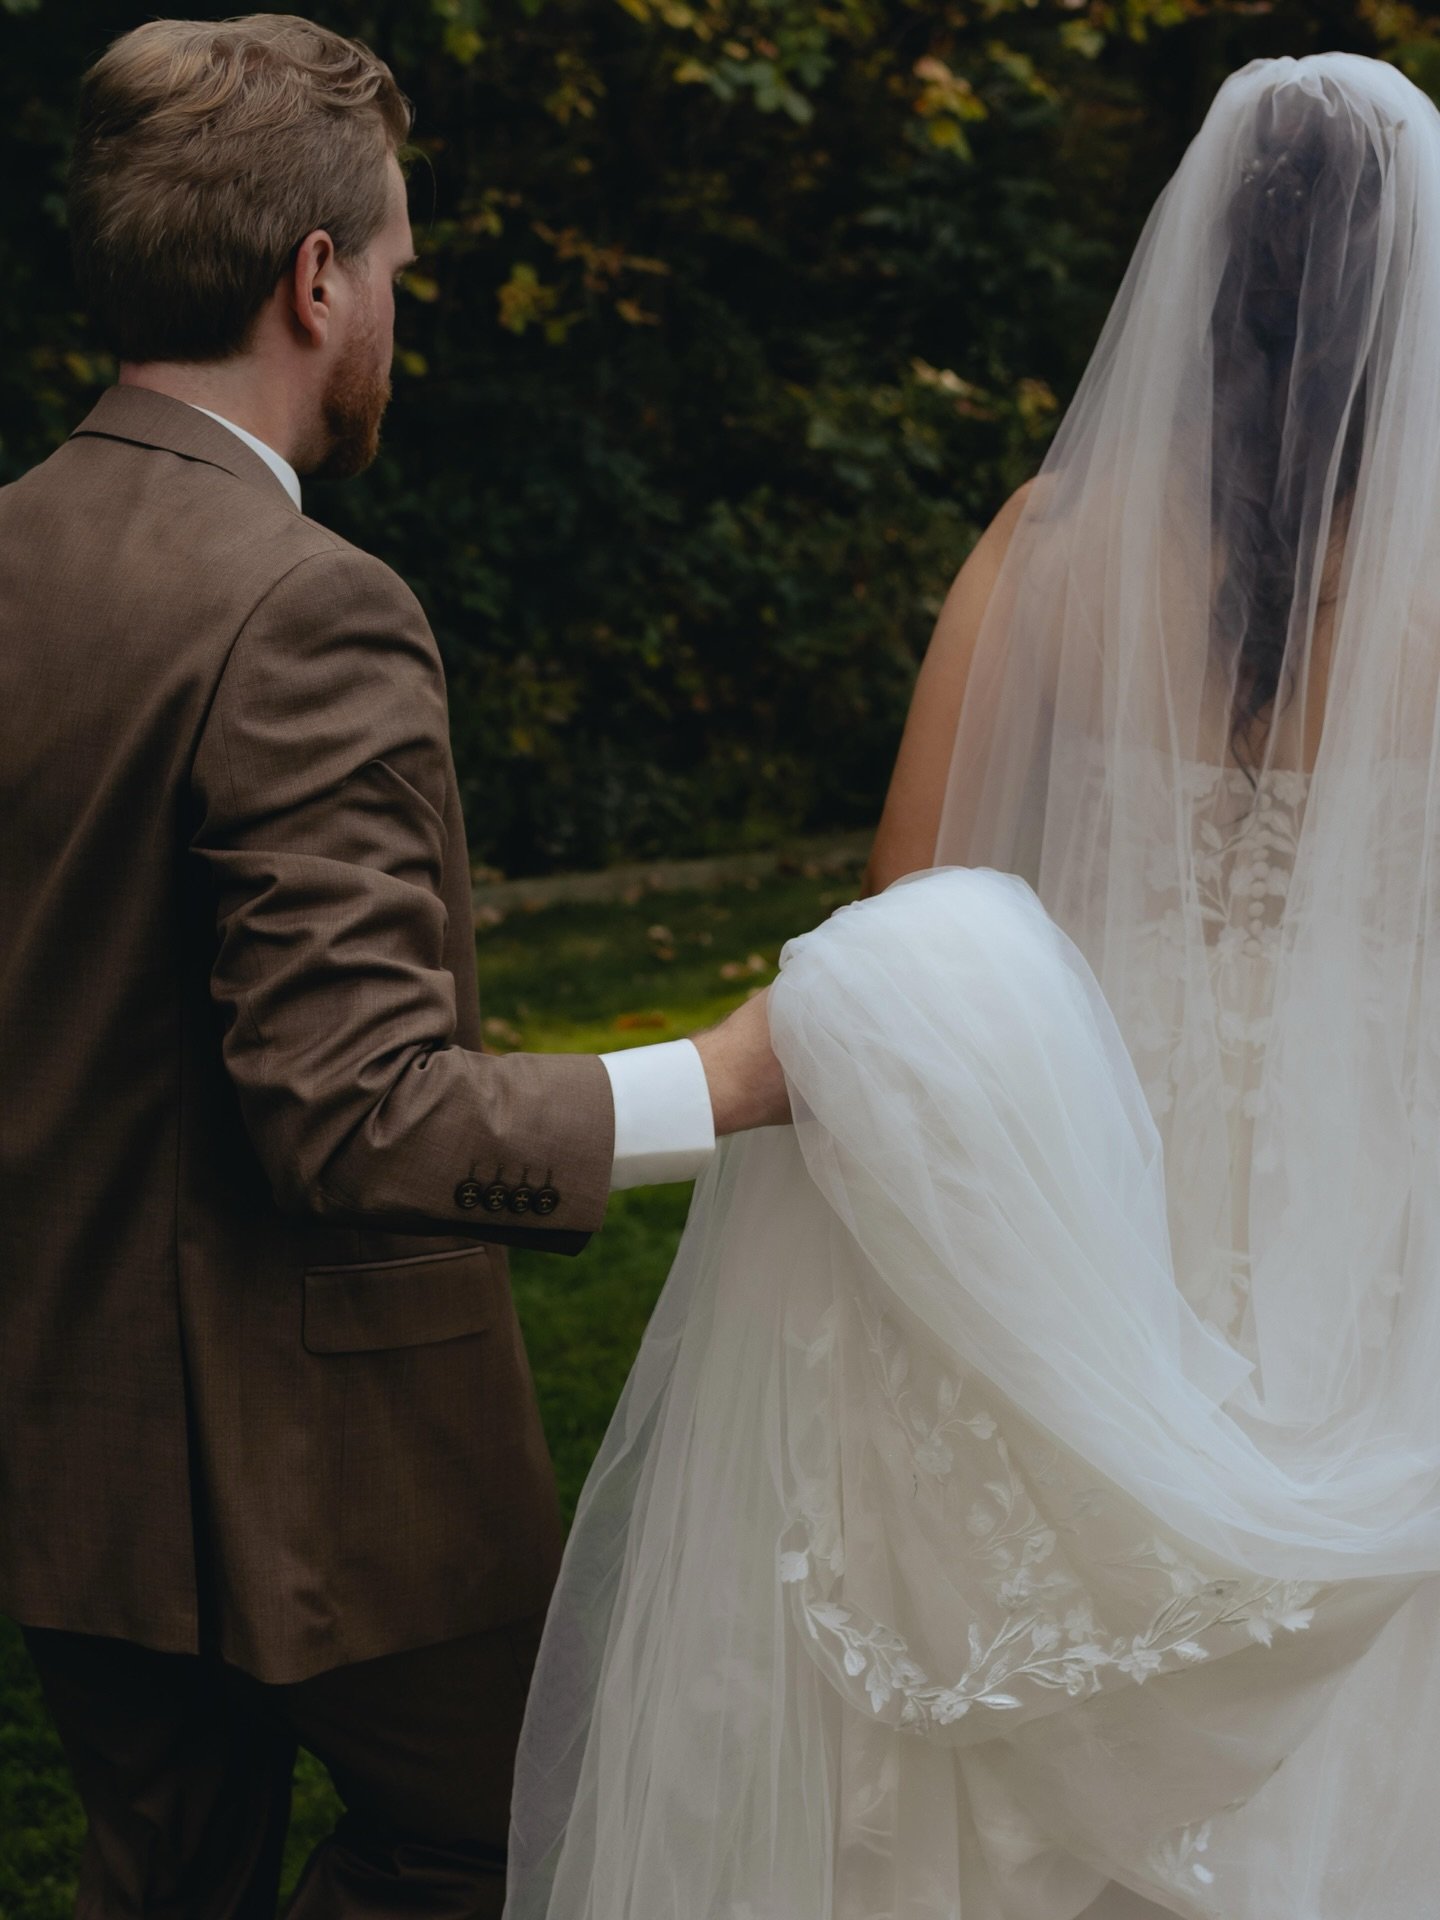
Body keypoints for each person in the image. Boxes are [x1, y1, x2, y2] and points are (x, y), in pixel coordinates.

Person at [505, 52, 1440, 1918]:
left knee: (1059, 1584)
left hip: (1095, 1141)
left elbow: (901, 922)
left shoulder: (1054, 546)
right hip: (1376, 1149)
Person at [0, 15, 788, 1919]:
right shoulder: (310, 608)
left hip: (65, 1449)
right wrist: (727, 1081)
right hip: (328, 1480)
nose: (398, 311)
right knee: (504, 1830)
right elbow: (353, 1112)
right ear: (317, 275)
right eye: (402, 267)